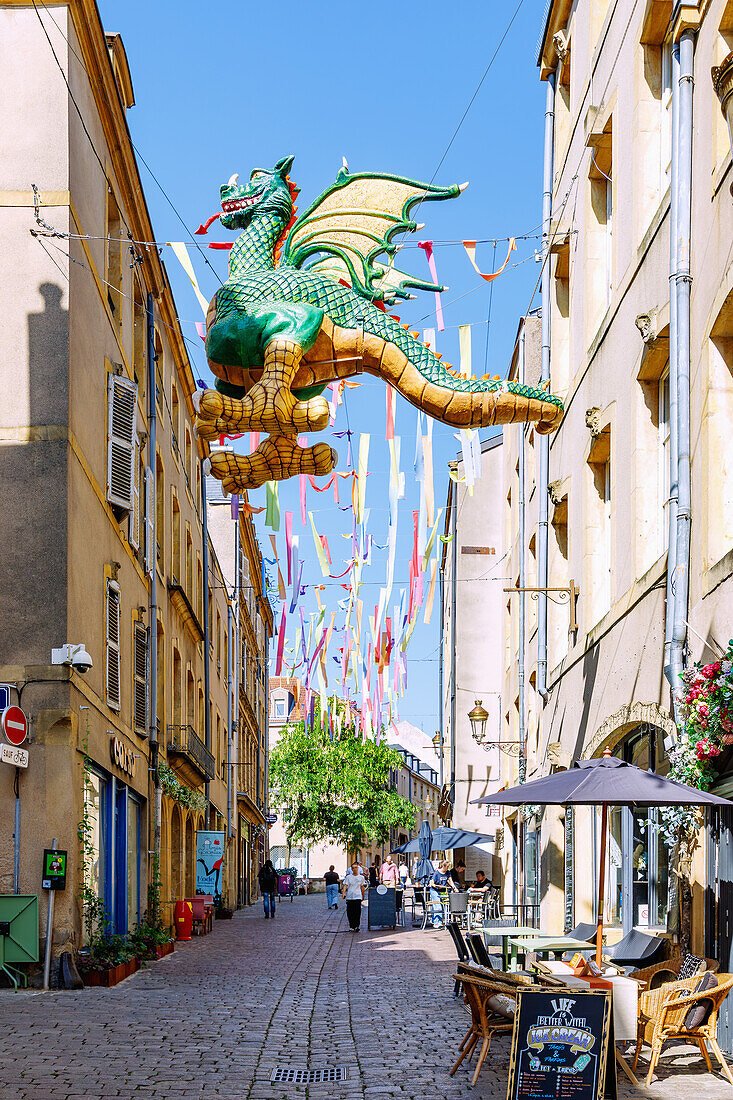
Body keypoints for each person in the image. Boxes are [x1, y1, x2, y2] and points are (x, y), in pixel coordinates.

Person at [342, 861, 366, 931]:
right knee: (350, 912)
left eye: (356, 868)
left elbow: (362, 887)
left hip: (357, 896)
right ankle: (351, 926)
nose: (355, 869)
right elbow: (345, 885)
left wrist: (363, 895)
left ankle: (357, 926)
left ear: (358, 868)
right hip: (350, 896)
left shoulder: (361, 877)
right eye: (353, 868)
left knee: (357, 912)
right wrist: (343, 893)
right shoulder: (348, 877)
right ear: (351, 869)